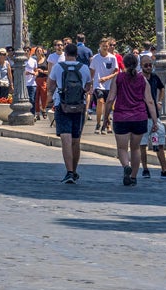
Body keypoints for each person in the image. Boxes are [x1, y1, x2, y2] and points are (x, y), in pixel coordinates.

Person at [49, 41, 92, 184]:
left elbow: (50, 86)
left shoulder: (58, 67)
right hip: (79, 106)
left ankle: (68, 172)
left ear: (66, 54)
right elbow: (88, 86)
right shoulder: (84, 68)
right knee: (76, 141)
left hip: (62, 106)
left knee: (65, 140)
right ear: (77, 55)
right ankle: (74, 170)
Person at [111, 52, 154, 187]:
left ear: (123, 64)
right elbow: (150, 101)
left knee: (122, 148)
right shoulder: (142, 79)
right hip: (139, 117)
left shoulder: (118, 78)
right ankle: (134, 177)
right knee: (135, 149)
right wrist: (155, 119)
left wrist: (105, 116)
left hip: (121, 117)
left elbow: (110, 98)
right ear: (137, 64)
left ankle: (125, 166)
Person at [136, 56, 166, 178]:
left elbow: (162, 88)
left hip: (154, 115)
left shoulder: (154, 77)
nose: (149, 67)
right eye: (146, 65)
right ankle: (145, 169)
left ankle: (164, 170)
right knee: (142, 145)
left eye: (150, 65)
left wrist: (159, 101)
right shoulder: (138, 78)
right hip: (142, 115)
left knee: (159, 142)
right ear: (141, 66)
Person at [89, 38, 119, 134]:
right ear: (100, 46)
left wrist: (107, 78)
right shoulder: (95, 58)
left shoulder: (112, 58)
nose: (105, 48)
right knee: (100, 101)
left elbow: (116, 71)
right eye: (103, 46)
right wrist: (90, 84)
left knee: (108, 106)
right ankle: (98, 123)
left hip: (109, 85)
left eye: (107, 46)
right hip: (98, 85)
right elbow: (92, 72)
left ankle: (107, 124)